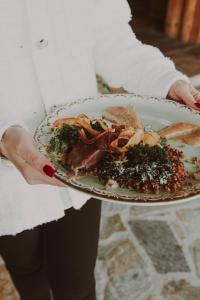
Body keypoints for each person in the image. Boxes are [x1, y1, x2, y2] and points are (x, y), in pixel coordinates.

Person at [0, 0, 200, 299]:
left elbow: (111, 39)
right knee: (25, 268)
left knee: (77, 284)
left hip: (88, 162)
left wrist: (166, 81)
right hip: (6, 180)